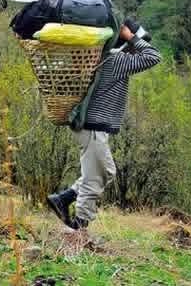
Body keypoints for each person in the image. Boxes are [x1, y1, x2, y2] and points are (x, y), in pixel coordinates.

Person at [47, 19, 160, 230]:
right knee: (94, 178)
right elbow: (153, 56)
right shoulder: (116, 61)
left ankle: (64, 198)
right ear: (125, 40)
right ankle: (79, 228)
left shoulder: (104, 58)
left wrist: (131, 39)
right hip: (93, 127)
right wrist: (132, 37)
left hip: (92, 127)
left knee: (106, 171)